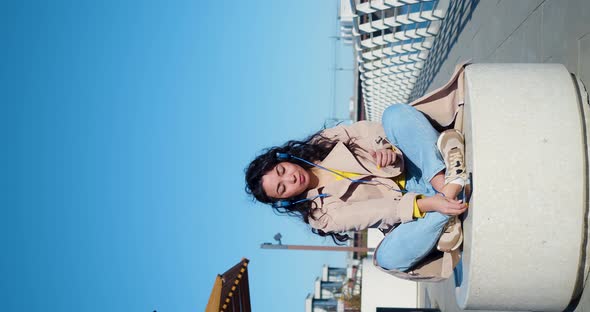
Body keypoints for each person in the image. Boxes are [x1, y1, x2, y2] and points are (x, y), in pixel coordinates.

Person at [245, 104, 468, 272]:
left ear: (283, 158)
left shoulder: (321, 141)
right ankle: (449, 188)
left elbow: (368, 131)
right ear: (285, 201)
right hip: (414, 206)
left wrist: (384, 150)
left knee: (393, 115)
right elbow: (379, 212)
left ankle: (445, 190)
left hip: (415, 165)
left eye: (282, 171)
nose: (291, 179)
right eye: (282, 188)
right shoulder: (320, 217)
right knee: (387, 260)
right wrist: (429, 204)